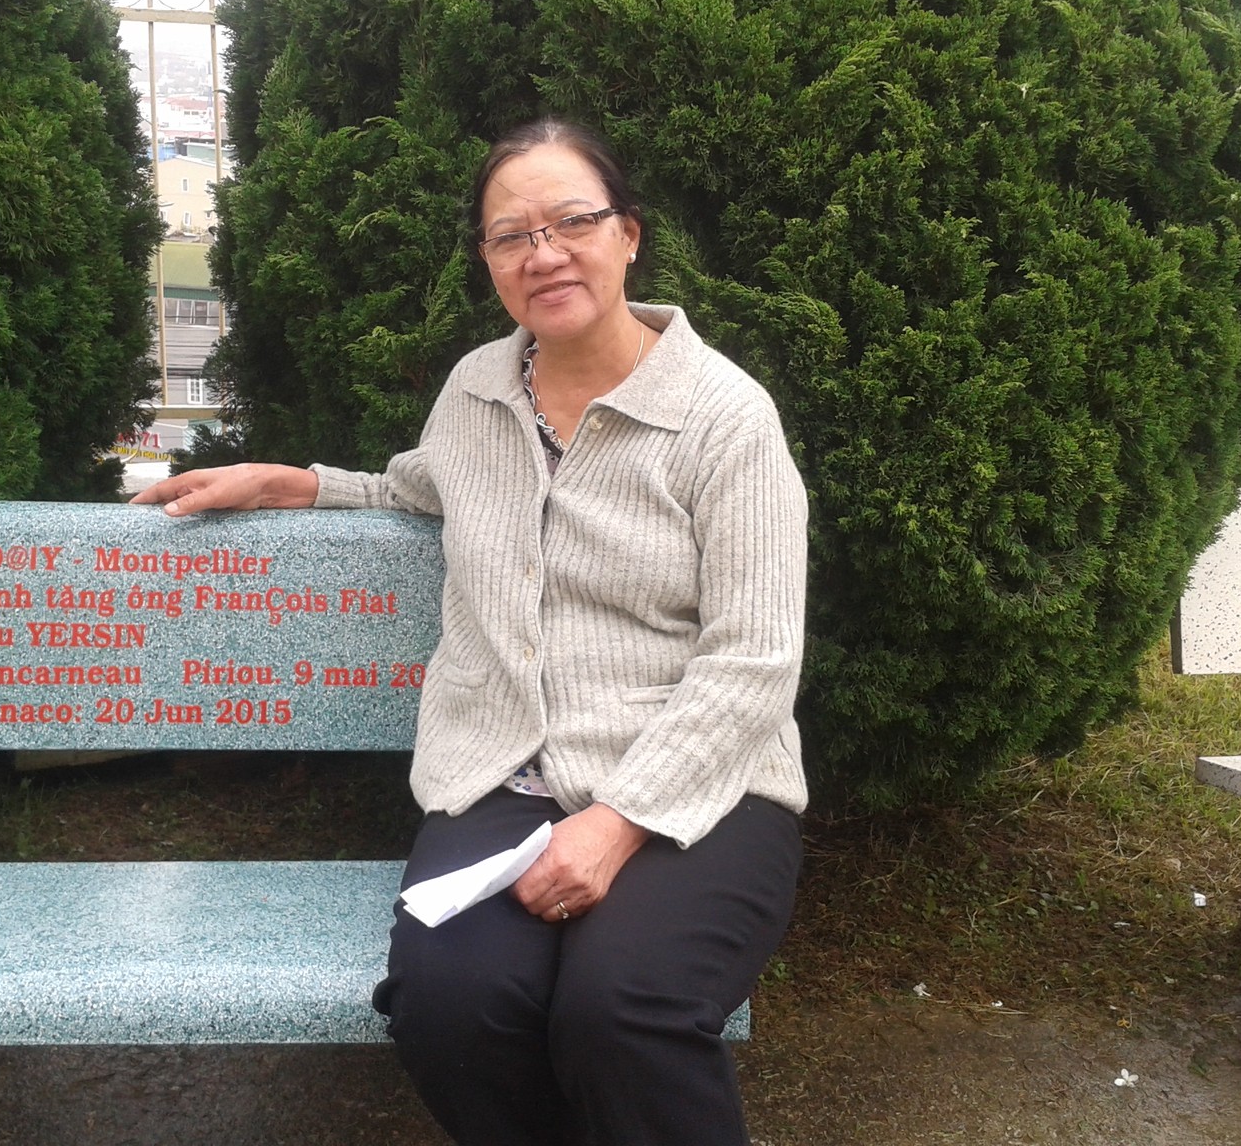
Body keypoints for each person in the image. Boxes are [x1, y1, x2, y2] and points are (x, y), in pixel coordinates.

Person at [132, 117, 807, 1145]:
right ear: (489, 260)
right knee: (449, 1004)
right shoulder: (478, 390)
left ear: (627, 234)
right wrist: (295, 482)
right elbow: (421, 486)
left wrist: (618, 818)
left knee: (618, 1006)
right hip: (503, 778)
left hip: (697, 790)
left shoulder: (724, 418)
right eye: (509, 235)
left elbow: (755, 657)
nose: (542, 252)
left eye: (570, 220)